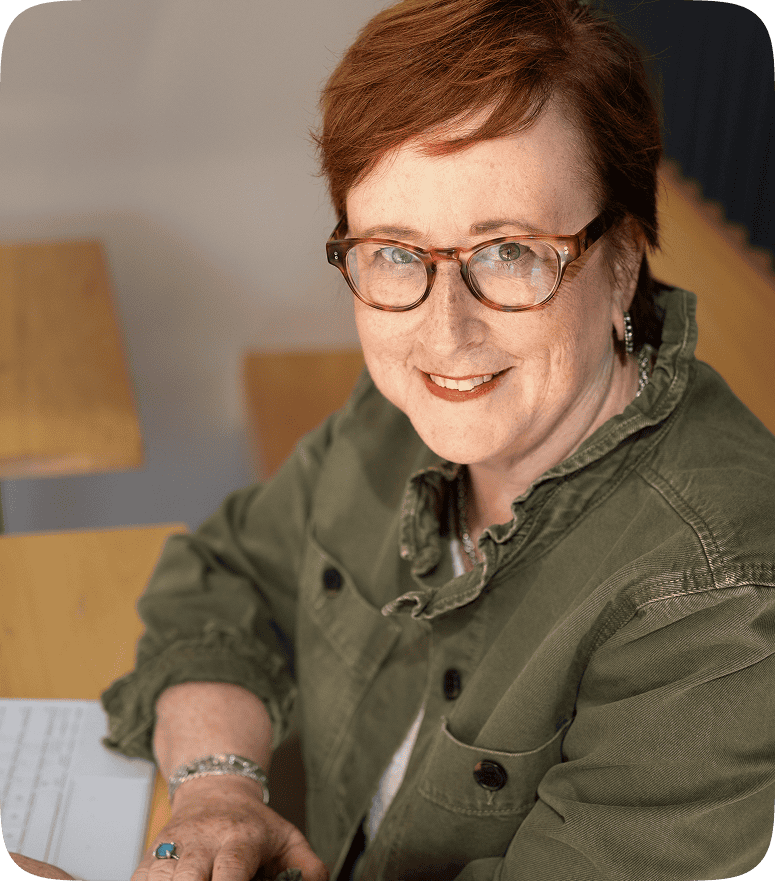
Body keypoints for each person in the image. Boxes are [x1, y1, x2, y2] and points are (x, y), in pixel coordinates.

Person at [101, 1, 775, 879]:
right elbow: (226, 578)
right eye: (394, 251)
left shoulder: (719, 606)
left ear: (621, 260)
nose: (443, 333)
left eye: (508, 250)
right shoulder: (403, 413)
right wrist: (216, 790)